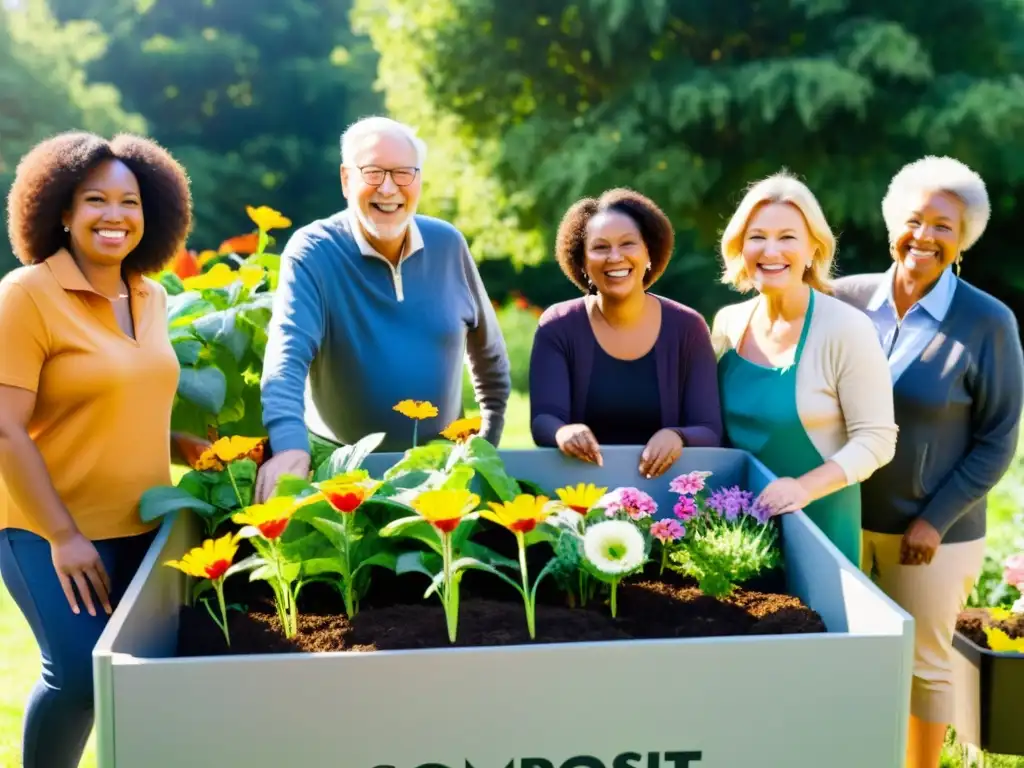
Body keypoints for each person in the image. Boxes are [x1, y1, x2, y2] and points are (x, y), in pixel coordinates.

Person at [0, 131, 195, 768]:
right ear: (60, 210)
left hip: (143, 525)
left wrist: (189, 447)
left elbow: (122, 399)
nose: (115, 215)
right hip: (45, 528)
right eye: (95, 200)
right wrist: (62, 535)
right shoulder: (26, 294)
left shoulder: (151, 295)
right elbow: (6, 426)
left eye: (130, 201)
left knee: (141, 682)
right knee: (81, 678)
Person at [832, 156, 1024, 768]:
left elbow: (997, 438)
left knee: (925, 667)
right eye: (914, 221)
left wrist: (933, 520)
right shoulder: (844, 299)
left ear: (963, 238)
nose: (925, 237)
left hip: (931, 534)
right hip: (840, 516)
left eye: (944, 226)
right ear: (893, 224)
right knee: (842, 654)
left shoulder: (989, 322)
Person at [256, 116, 510, 500]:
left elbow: (491, 360)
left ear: (419, 180)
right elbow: (286, 357)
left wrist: (483, 450)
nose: (388, 188)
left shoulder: (448, 245)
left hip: (442, 475)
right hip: (340, 475)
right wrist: (290, 445)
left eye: (403, 173)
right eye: (372, 172)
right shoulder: (313, 251)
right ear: (346, 180)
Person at [710, 171, 898, 564]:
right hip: (735, 531)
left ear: (813, 249)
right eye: (757, 236)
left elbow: (877, 441)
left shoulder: (847, 328)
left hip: (819, 524)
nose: (770, 250)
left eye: (788, 237)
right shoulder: (728, 323)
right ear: (739, 247)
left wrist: (803, 488)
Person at [529, 188, 723, 479]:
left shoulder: (688, 328)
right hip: (580, 497)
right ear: (582, 262)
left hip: (669, 501)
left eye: (628, 244)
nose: (615, 257)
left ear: (649, 254)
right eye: (600, 247)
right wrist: (563, 432)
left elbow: (709, 429)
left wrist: (678, 436)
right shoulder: (558, 325)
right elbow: (544, 419)